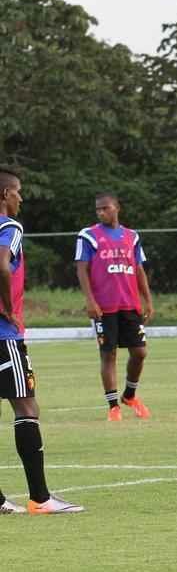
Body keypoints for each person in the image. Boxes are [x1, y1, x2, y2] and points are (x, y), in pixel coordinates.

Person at [0, 169, 84, 514]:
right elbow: (3, 267)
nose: (22, 198)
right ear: (5, 194)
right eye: (18, 192)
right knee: (27, 407)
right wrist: (8, 309)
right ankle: (41, 497)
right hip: (4, 336)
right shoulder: (9, 227)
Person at [75, 193, 155, 421]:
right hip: (104, 306)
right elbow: (82, 269)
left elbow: (139, 269)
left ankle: (129, 396)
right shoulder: (88, 236)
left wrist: (147, 300)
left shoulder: (132, 236)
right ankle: (113, 406)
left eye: (105, 208)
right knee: (108, 354)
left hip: (129, 304)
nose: (101, 212)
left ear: (117, 208)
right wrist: (90, 301)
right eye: (98, 209)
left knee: (140, 352)